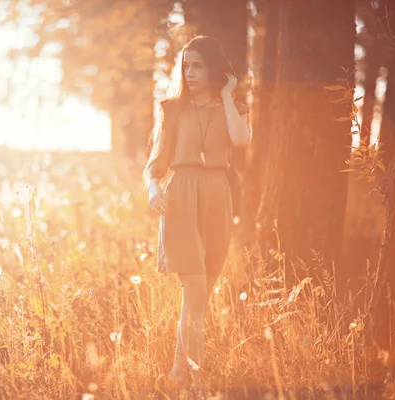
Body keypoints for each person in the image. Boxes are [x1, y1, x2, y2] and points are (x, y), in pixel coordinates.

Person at [143, 35, 251, 390]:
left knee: (199, 297)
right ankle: (198, 378)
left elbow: (240, 140)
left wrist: (226, 95)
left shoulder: (232, 109)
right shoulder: (173, 109)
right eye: (185, 65)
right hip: (181, 200)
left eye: (198, 65)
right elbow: (154, 166)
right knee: (195, 290)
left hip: (217, 199)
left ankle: (177, 372)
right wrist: (155, 190)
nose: (189, 73)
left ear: (215, 68)